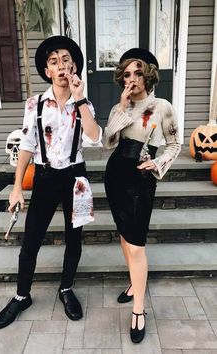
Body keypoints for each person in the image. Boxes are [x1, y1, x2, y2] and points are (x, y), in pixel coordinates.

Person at [0, 35, 102, 329]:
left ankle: (66, 288)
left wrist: (79, 98)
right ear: (47, 71)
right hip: (45, 176)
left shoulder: (85, 103)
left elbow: (95, 136)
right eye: (54, 62)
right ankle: (21, 295)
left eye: (66, 60)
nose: (61, 65)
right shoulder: (35, 103)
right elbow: (27, 143)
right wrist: (16, 187)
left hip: (76, 178)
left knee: (74, 238)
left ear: (74, 66)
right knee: (31, 240)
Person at [104, 48, 181, 343]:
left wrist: (158, 162)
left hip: (140, 178)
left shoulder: (161, 106)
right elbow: (108, 142)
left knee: (136, 244)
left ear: (148, 74)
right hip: (115, 175)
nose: (132, 78)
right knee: (124, 237)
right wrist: (122, 107)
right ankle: (134, 285)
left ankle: (139, 309)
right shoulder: (118, 108)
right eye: (127, 74)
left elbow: (174, 144)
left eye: (138, 72)